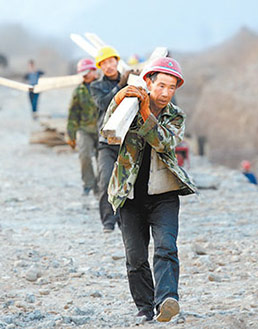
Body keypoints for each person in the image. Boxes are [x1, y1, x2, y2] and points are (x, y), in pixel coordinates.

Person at [102, 57, 196, 322]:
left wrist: (146, 113)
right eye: (161, 86)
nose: (166, 93)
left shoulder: (175, 116)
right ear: (148, 82)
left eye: (172, 87)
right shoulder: (128, 106)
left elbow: (164, 142)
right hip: (128, 195)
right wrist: (119, 99)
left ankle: (168, 299)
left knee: (166, 246)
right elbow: (108, 131)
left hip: (164, 195)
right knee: (136, 258)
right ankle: (145, 307)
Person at [90, 46, 134, 233]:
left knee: (126, 183)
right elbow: (104, 103)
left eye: (111, 61)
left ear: (116, 61)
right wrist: (120, 86)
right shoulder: (96, 86)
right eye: (104, 63)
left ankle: (124, 221)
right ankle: (108, 221)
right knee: (106, 180)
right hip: (106, 142)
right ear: (100, 67)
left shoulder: (130, 81)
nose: (108, 66)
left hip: (127, 140)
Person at [66, 58, 99, 196]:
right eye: (83, 73)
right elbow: (73, 114)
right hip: (84, 129)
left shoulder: (102, 87)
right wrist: (71, 135)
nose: (85, 75)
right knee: (84, 157)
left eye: (88, 72)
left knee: (102, 160)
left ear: (94, 71)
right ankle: (88, 184)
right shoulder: (78, 92)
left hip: (102, 130)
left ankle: (100, 186)